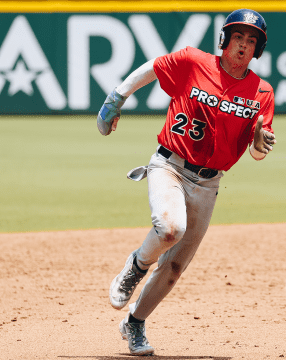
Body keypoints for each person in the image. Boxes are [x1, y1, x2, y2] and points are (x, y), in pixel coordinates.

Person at [96, 8, 275, 356]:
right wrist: (117, 97)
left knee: (175, 267)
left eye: (251, 41)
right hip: (169, 165)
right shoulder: (194, 62)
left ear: (258, 50)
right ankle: (136, 266)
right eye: (238, 37)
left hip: (209, 184)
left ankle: (134, 324)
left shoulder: (261, 92)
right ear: (224, 39)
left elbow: (257, 153)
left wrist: (258, 142)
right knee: (169, 229)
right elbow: (153, 68)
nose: (243, 45)